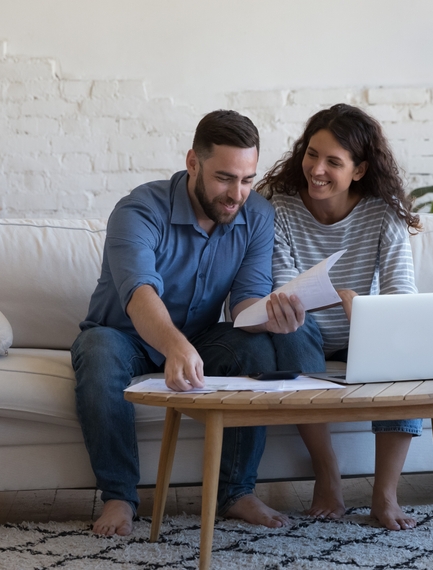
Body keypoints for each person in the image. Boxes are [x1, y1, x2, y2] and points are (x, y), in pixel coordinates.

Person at [73, 110, 308, 537]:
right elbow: (139, 294)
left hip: (199, 337)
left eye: (247, 179)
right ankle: (119, 497)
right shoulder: (139, 209)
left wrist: (270, 319)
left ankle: (236, 493)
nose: (237, 193)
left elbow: (245, 302)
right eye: (224, 178)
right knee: (98, 351)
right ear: (193, 163)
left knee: (254, 349)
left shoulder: (256, 215)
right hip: (123, 337)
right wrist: (175, 347)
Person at [257, 103, 423, 531]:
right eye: (312, 154)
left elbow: (402, 297)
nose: (317, 169)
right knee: (288, 330)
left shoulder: (384, 214)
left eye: (334, 161)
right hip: (303, 328)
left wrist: (366, 312)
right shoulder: (280, 207)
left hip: (360, 331)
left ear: (360, 169)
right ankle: (327, 474)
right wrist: (340, 297)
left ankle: (385, 494)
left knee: (404, 352)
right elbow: (285, 290)